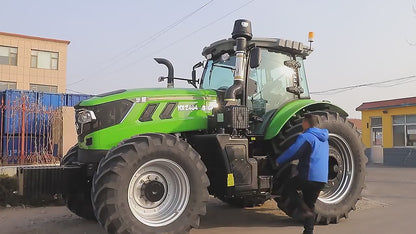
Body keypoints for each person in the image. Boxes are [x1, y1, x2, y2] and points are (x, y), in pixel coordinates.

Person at [275, 114, 329, 234]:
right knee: (310, 204)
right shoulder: (324, 138)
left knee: (288, 186)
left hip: (309, 176)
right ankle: (308, 231)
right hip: (321, 179)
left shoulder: (306, 137)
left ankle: (303, 209)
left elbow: (293, 151)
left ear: (305, 123)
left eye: (303, 122)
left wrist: (278, 161)